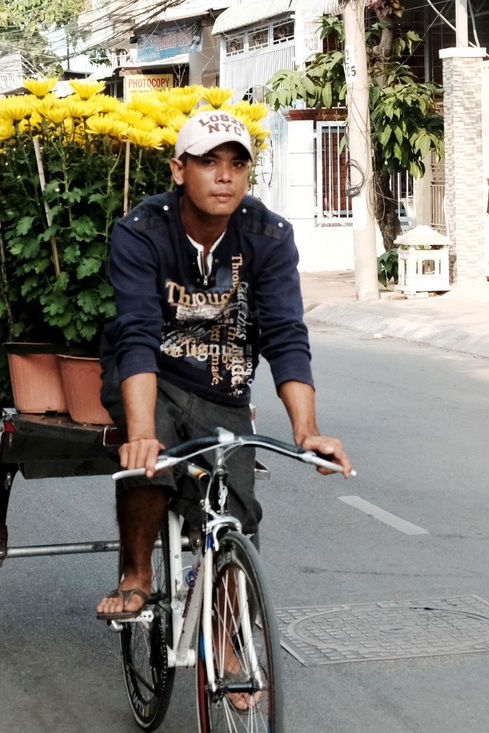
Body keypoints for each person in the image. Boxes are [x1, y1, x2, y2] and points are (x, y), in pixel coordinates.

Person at [95, 109, 354, 622]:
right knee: (152, 464)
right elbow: (139, 333)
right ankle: (137, 573)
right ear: (178, 170)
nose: (224, 175)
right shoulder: (142, 231)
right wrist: (142, 431)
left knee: (237, 513)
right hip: (156, 378)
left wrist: (308, 431)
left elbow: (284, 333)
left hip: (224, 386)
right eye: (208, 161)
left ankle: (229, 638)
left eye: (237, 163)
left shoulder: (268, 236)